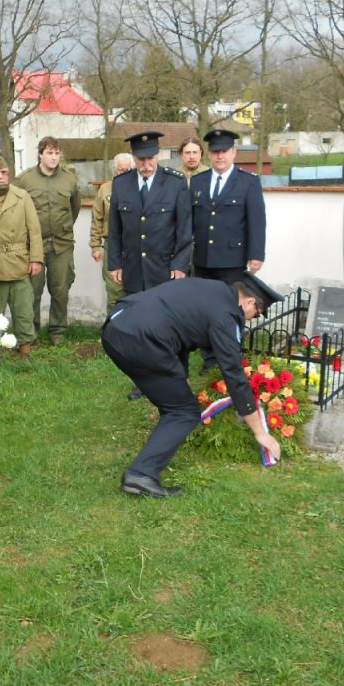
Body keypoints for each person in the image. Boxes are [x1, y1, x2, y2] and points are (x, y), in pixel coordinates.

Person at [102, 272, 284, 497]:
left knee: (175, 400)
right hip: (142, 340)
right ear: (249, 302)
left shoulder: (209, 289)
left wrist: (182, 378)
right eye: (256, 313)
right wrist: (260, 432)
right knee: (183, 412)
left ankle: (162, 442)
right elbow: (234, 374)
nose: (251, 319)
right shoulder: (226, 314)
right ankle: (141, 475)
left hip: (117, 326)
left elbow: (181, 334)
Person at [107, 130, 193, 399]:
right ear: (134, 157)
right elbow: (115, 229)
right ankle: (145, 381)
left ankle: (178, 375)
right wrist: (115, 263)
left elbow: (184, 229)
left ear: (158, 155)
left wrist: (180, 264)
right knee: (139, 327)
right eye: (141, 159)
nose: (146, 164)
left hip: (165, 269)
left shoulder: (175, 183)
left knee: (172, 324)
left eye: (150, 158)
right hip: (134, 268)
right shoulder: (121, 184)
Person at [0, 153, 42, 355]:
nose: (1, 176)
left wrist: (36, 259)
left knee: (24, 310)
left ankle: (25, 347)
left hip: (19, 262)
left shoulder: (22, 196)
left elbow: (34, 230)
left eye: (4, 172)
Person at [14, 136, 80, 345]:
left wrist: (63, 228)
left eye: (57, 153)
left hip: (62, 244)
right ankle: (30, 333)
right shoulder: (24, 180)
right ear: (40, 154)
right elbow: (16, 210)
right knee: (32, 291)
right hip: (34, 246)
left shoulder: (69, 180)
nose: (54, 157)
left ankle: (58, 332)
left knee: (60, 291)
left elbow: (74, 208)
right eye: (49, 153)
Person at [189, 129, 267, 284]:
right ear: (209, 154)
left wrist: (256, 255)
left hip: (232, 260)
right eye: (215, 152)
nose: (220, 156)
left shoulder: (248, 182)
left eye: (224, 151)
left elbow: (257, 221)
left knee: (230, 299)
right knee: (202, 299)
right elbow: (189, 220)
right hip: (203, 259)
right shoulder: (197, 181)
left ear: (234, 152)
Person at [90, 153, 132, 315]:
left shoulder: (139, 188)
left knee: (135, 292)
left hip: (134, 246)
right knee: (114, 292)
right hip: (112, 246)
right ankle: (113, 326)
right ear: (115, 170)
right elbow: (96, 219)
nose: (123, 173)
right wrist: (95, 246)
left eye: (127, 170)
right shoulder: (105, 189)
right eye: (120, 170)